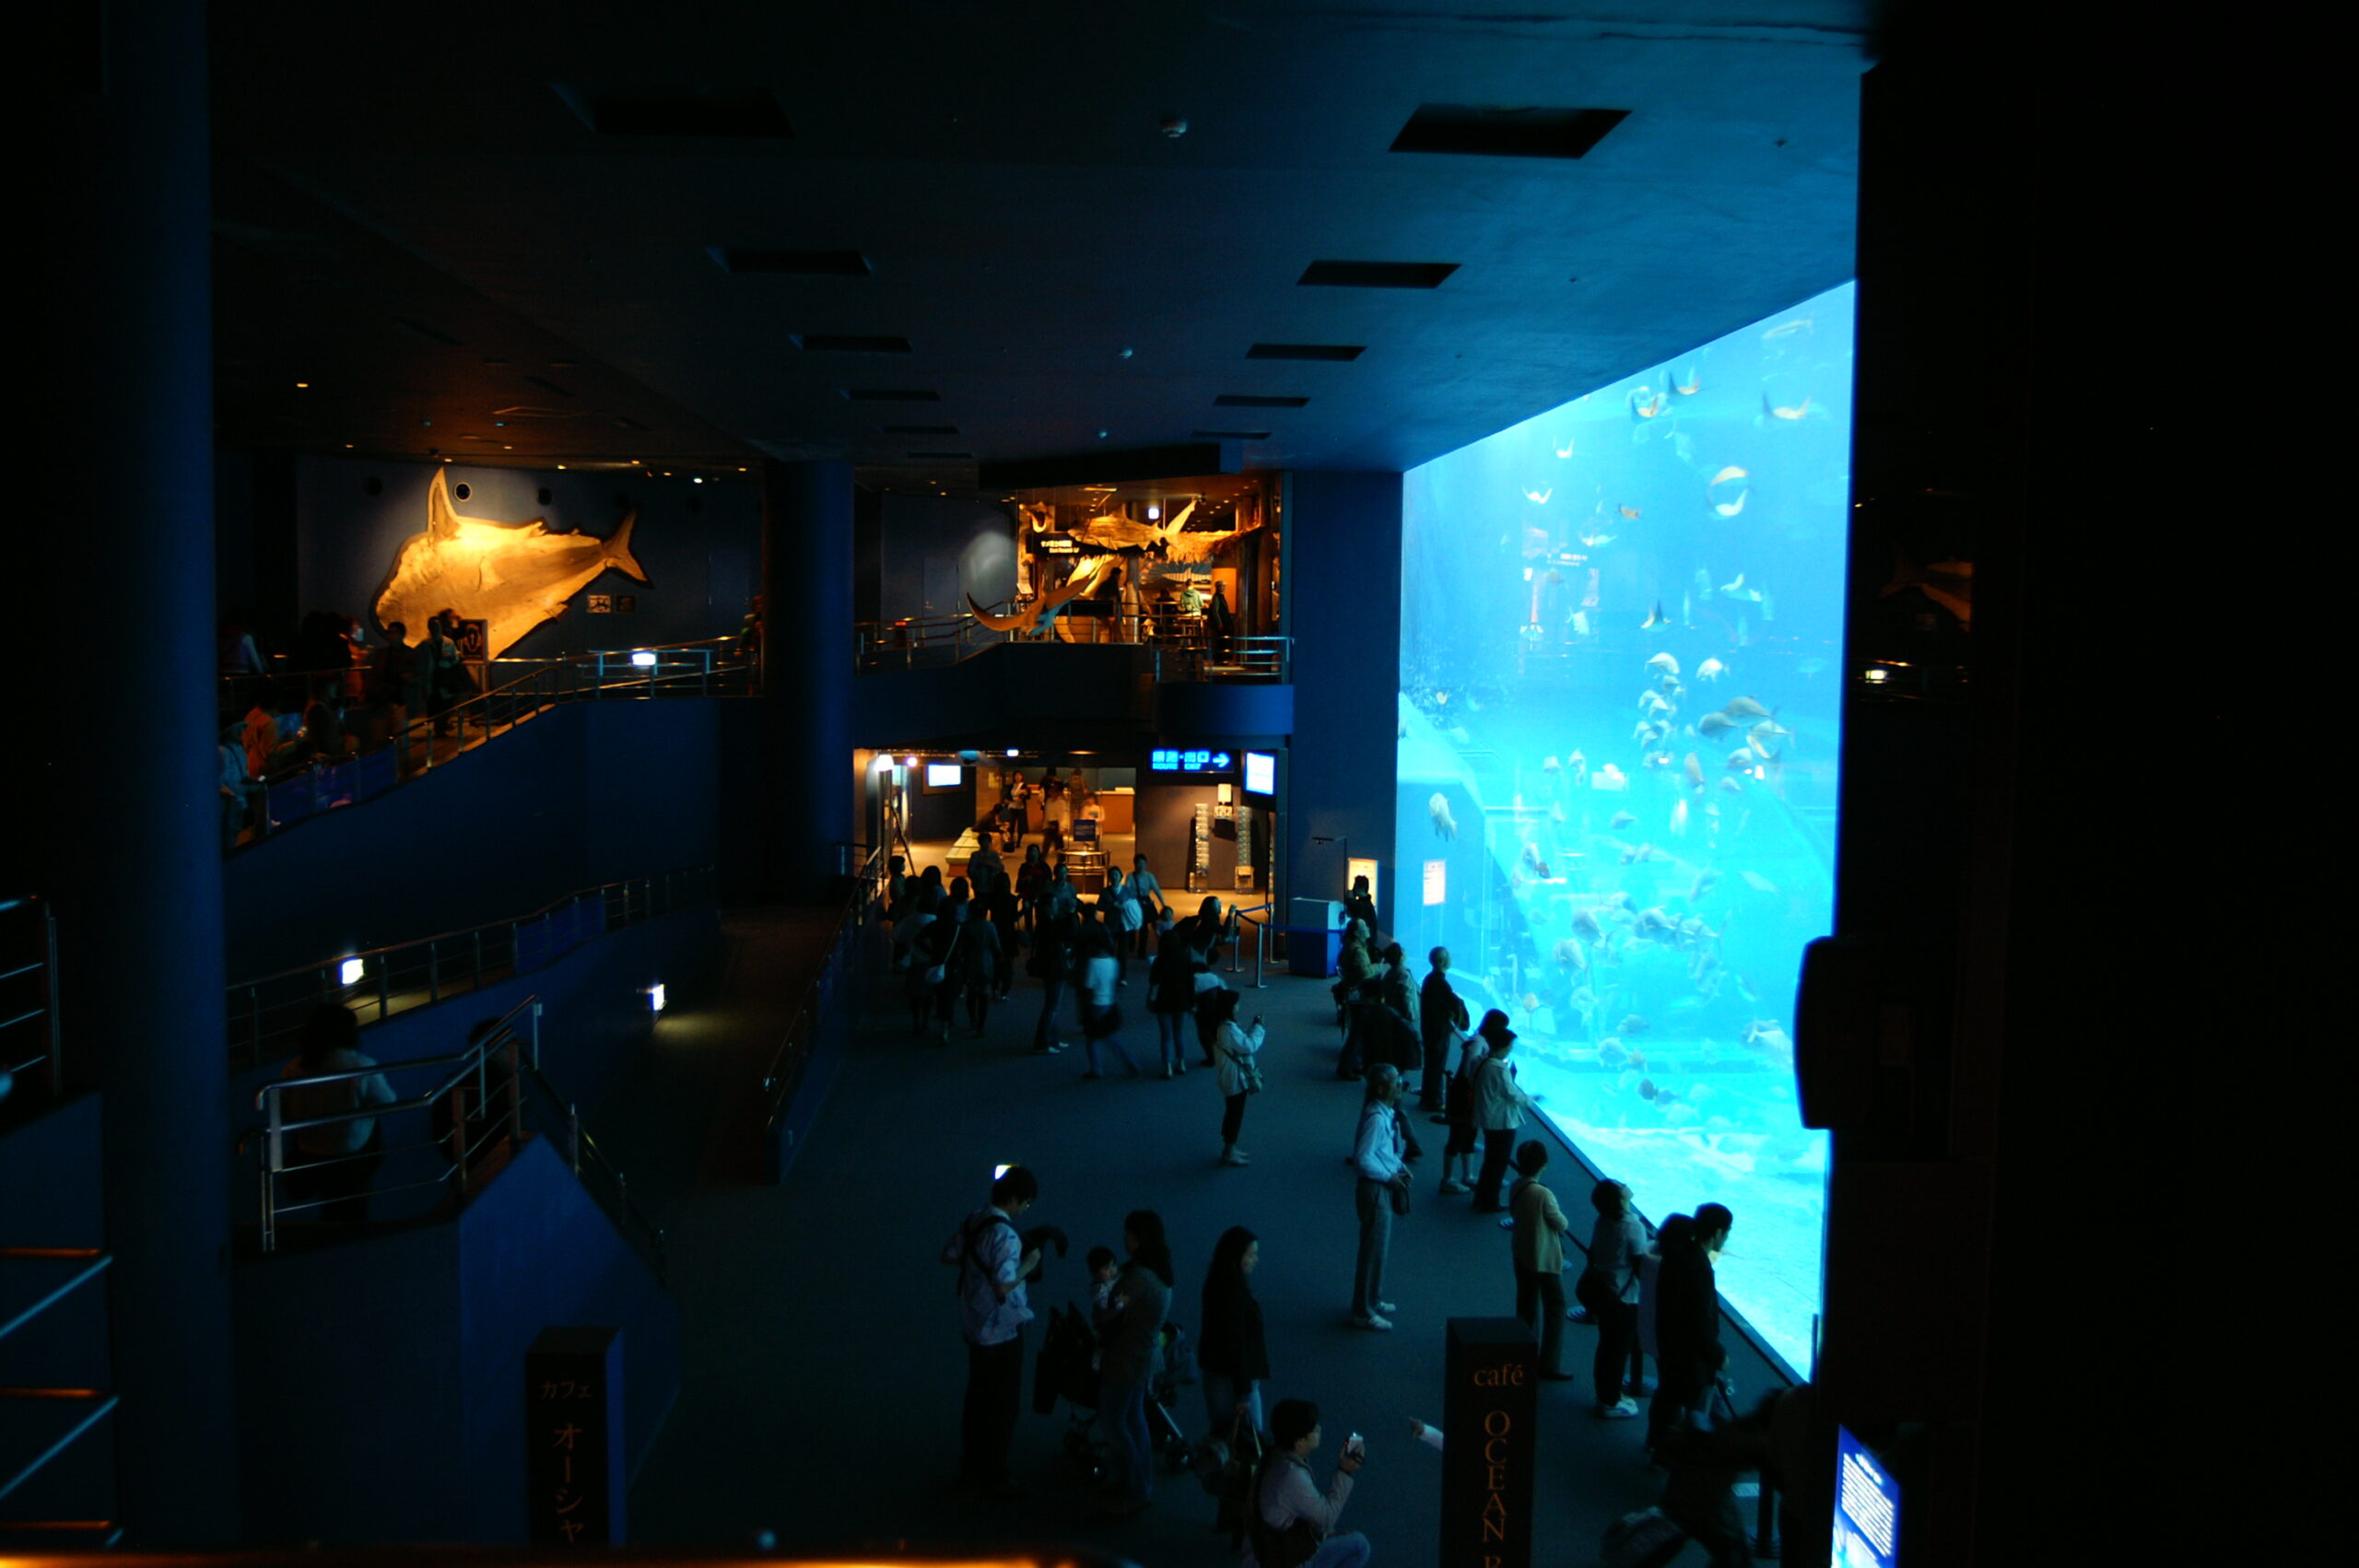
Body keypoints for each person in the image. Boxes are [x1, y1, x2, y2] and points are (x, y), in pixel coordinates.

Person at [940, 1164, 1043, 1500]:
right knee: (1003, 1405)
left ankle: (970, 1467)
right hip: (1000, 1331)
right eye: (1025, 1203)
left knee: (977, 1399)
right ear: (1014, 1199)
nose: (1026, 1209)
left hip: (974, 1323)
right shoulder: (1007, 1236)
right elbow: (1003, 1283)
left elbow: (949, 1255)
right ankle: (995, 1473)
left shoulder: (974, 1220)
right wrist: (1030, 1263)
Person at [277, 1003, 395, 1223]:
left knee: (333, 1209)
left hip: (308, 1149)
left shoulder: (293, 1067)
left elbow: (284, 1109)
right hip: (348, 1151)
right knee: (351, 1211)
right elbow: (388, 1101)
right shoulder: (358, 1064)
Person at [1097, 1210, 1174, 1515]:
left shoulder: (1138, 1277)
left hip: (1127, 1357)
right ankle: (1138, 1483)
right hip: (1145, 1355)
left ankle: (1136, 1484)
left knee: (1113, 1420)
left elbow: (1108, 1311)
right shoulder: (1160, 1269)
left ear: (1139, 1239)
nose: (1124, 1239)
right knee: (1134, 1417)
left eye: (1128, 1234)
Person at [1652, 1202, 1734, 1450]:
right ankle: (1682, 1460)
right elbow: (1699, 1319)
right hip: (1690, 1356)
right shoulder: (1699, 1267)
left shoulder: (1676, 1254)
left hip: (1668, 1343)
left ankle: (1659, 1449)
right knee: (1696, 1410)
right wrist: (1717, 1354)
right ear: (1718, 1232)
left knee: (1668, 1395)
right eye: (1728, 1231)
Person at [1251, 1398, 1370, 1568]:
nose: (1320, 1429)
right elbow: (1326, 1518)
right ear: (1300, 1440)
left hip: (1270, 1545)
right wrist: (1345, 1471)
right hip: (1285, 1557)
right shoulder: (1291, 1475)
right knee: (1359, 1546)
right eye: (1315, 1430)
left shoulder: (1275, 1455)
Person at [1579, 1177, 1651, 1418]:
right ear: (1619, 1199)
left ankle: (1606, 1393)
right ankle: (1610, 1401)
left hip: (1602, 1291)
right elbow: (1640, 1263)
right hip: (1623, 1299)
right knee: (1618, 1350)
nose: (1627, 1187)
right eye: (1622, 1188)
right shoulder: (1632, 1226)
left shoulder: (1604, 1219)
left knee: (1607, 1346)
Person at [1349, 1064, 1410, 1330]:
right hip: (1375, 1191)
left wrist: (1398, 1166)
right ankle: (1362, 1310)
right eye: (1396, 1081)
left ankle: (1373, 1298)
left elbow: (1381, 1152)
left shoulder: (1384, 1113)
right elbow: (1363, 1158)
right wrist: (1389, 1177)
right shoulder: (1376, 1117)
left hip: (1381, 1188)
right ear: (1382, 1087)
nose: (1401, 1085)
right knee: (1372, 1253)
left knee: (1379, 1251)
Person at [1508, 1140, 1574, 1380]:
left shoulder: (1516, 1185)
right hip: (1543, 1259)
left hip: (1521, 1252)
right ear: (1543, 1164)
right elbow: (1561, 1223)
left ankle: (1523, 1352)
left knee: (1526, 1303)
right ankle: (1549, 1363)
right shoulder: (1543, 1193)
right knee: (1555, 1307)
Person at [1199, 1226, 1268, 1436]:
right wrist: (1243, 1392)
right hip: (1232, 1378)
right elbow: (1236, 1344)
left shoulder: (1217, 1282)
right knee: (1249, 1436)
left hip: (1217, 1373)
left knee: (1223, 1435)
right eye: (1251, 1254)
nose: (1256, 1260)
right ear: (1236, 1257)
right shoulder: (1233, 1295)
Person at [1471, 1012, 1534, 1212]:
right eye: (1510, 1046)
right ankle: (1489, 1201)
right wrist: (1529, 1100)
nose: (1510, 1049)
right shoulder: (1498, 1069)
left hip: (1487, 1116)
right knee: (1497, 1163)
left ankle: (1481, 1197)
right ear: (1502, 1046)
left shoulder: (1480, 1061)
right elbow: (1510, 1093)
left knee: (1490, 1160)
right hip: (1501, 1121)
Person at [1075, 921, 1141, 1079]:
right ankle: (1127, 1062)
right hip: (1110, 1001)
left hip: (1096, 1003)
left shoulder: (1093, 963)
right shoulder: (1113, 961)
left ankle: (1097, 1069)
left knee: (1095, 1037)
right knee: (1107, 1035)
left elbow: (1089, 985)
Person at [1208, 989, 1264, 1164]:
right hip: (1234, 1078)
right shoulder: (1227, 1029)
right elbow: (1248, 1046)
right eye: (1236, 1004)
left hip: (1229, 1076)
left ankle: (1229, 1147)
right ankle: (1229, 1150)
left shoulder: (1220, 1025)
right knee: (1235, 1114)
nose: (1238, 1006)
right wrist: (1258, 1027)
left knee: (1232, 1113)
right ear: (1229, 1007)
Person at [1146, 915, 1206, 1074]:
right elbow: (1189, 983)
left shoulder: (1159, 961)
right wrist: (1192, 1003)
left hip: (1164, 1001)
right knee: (1179, 1034)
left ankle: (1167, 1067)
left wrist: (1149, 999)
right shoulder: (1184, 960)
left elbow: (1153, 981)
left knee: (1166, 1036)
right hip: (1181, 1001)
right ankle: (1181, 1063)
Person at [1418, 946, 1470, 1114]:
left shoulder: (1430, 979)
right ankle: (1433, 1100)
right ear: (1441, 961)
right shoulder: (1440, 982)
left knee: (1432, 1064)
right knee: (1436, 1065)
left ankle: (1428, 1097)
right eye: (1448, 956)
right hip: (1437, 1031)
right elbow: (1453, 1003)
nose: (1451, 958)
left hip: (1431, 1029)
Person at [1332, 920, 1376, 1080]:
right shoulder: (1357, 951)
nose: (1368, 928)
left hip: (1352, 994)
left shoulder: (1349, 947)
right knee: (1357, 1033)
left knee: (1357, 1031)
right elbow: (1364, 973)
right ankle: (1346, 1067)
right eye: (1364, 927)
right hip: (1359, 997)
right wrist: (1379, 967)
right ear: (1357, 933)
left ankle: (1354, 1064)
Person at [1341, 874, 1379, 947]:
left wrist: (1350, 898)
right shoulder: (1368, 905)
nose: (1353, 889)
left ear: (1362, 888)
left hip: (1365, 944)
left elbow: (1352, 910)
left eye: (1355, 886)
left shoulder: (1363, 905)